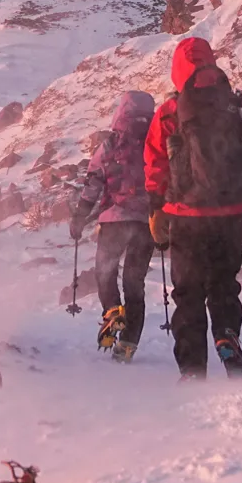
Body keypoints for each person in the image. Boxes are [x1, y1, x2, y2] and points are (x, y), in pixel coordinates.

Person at [144, 37, 242, 379]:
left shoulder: (169, 113)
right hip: (231, 214)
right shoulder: (238, 108)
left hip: (185, 217)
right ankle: (227, 335)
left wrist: (155, 208)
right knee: (223, 285)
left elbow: (155, 163)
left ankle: (192, 370)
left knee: (188, 293)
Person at [69, 90, 157, 362]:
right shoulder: (156, 142)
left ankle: (112, 311)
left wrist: (80, 217)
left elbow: (93, 182)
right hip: (147, 223)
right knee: (135, 283)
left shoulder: (110, 144)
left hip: (113, 221)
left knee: (105, 271)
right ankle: (128, 343)